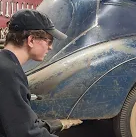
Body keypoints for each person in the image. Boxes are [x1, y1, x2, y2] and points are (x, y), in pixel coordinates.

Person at [0, 9, 82, 137]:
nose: (50, 47)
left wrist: (55, 124)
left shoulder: (6, 64)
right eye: (49, 41)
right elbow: (25, 133)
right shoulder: (7, 73)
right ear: (31, 40)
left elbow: (19, 120)